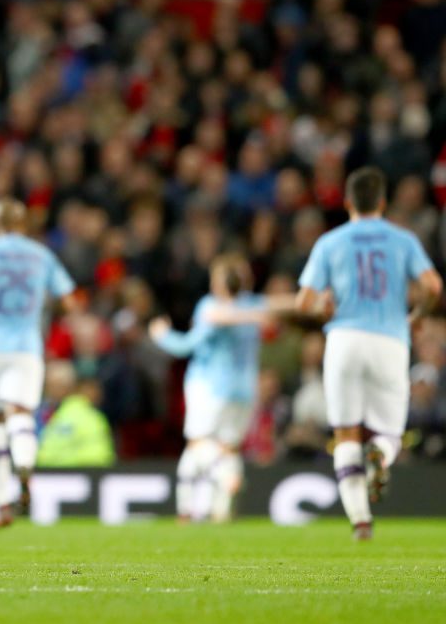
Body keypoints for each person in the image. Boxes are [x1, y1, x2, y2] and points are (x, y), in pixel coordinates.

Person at [297, 166, 442, 541]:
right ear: (381, 202)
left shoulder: (330, 242)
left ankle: (360, 521)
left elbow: (305, 301)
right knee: (390, 433)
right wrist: (418, 315)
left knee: (345, 434)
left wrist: (322, 310)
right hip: (390, 340)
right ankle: (379, 453)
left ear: (347, 203)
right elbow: (432, 284)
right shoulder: (402, 239)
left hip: (343, 339)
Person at [149, 254, 295, 523]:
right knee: (228, 448)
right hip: (244, 391)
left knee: (198, 443)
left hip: (210, 387)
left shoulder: (210, 306)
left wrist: (162, 335)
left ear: (217, 282)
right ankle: (221, 511)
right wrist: (312, 300)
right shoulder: (254, 306)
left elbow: (185, 346)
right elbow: (284, 305)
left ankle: (188, 507)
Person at [0, 197, 77, 527]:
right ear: (23, 224)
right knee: (21, 414)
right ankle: (24, 466)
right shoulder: (42, 256)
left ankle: (1, 504)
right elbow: (68, 299)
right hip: (26, 345)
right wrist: (43, 312)